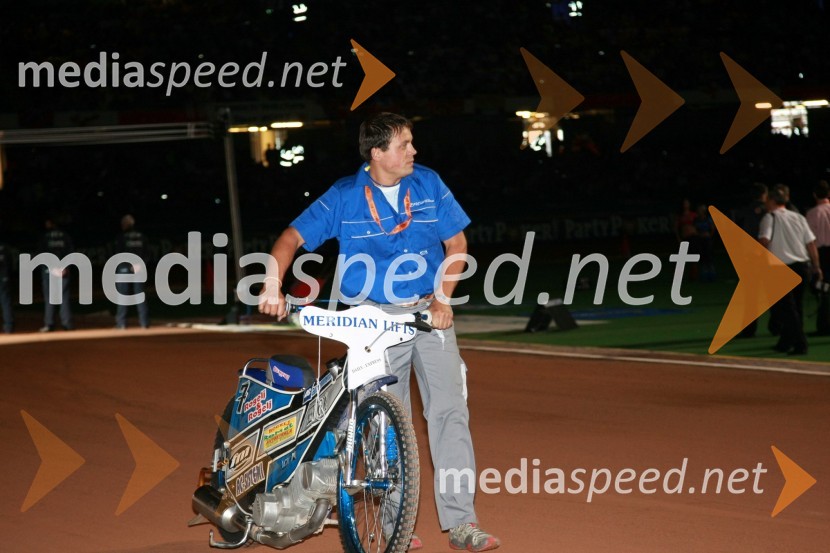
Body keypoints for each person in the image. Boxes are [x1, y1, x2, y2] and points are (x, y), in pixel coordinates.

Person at [259, 113, 500, 552]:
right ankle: (394, 527)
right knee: (390, 421)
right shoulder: (345, 197)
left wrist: (443, 299)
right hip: (371, 317)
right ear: (377, 153)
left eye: (411, 143)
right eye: (404, 144)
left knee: (450, 413)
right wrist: (273, 284)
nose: (413, 151)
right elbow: (291, 238)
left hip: (428, 311)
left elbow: (457, 245)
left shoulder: (427, 183)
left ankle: (463, 523)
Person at [758, 185, 822, 355]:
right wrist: (816, 266)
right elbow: (811, 244)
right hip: (802, 266)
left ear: (771, 201)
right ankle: (786, 341)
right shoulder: (799, 217)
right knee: (796, 306)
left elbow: (764, 240)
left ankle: (800, 343)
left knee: (785, 309)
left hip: (780, 266)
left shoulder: (769, 217)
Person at [732, 183, 768, 337]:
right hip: (768, 255)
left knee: (750, 295)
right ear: (764, 194)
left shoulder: (744, 211)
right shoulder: (769, 210)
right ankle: (778, 326)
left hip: (751, 256)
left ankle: (749, 329)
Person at [114, 214, 150, 329]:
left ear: (125, 224)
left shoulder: (121, 237)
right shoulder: (142, 236)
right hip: (139, 268)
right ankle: (144, 323)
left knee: (123, 295)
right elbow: (148, 253)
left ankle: (121, 323)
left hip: (124, 267)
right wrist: (140, 264)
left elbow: (118, 254)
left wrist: (129, 264)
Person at [39, 218, 74, 332]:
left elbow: (42, 254)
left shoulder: (45, 237)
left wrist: (51, 268)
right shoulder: (66, 236)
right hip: (63, 269)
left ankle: (49, 324)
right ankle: (67, 324)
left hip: (49, 270)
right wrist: (65, 267)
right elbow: (70, 252)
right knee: (64, 297)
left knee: (50, 297)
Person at [806, 180, 830, 335]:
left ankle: (824, 326)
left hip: (823, 254)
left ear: (814, 195)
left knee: (824, 290)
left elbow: (810, 240)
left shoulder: (813, 213)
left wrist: (813, 263)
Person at [0, 237, 13, 333]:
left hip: (3, 277)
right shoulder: (4, 247)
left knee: (5, 302)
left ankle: (8, 325)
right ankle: (8, 326)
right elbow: (10, 263)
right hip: (3, 277)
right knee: (5, 302)